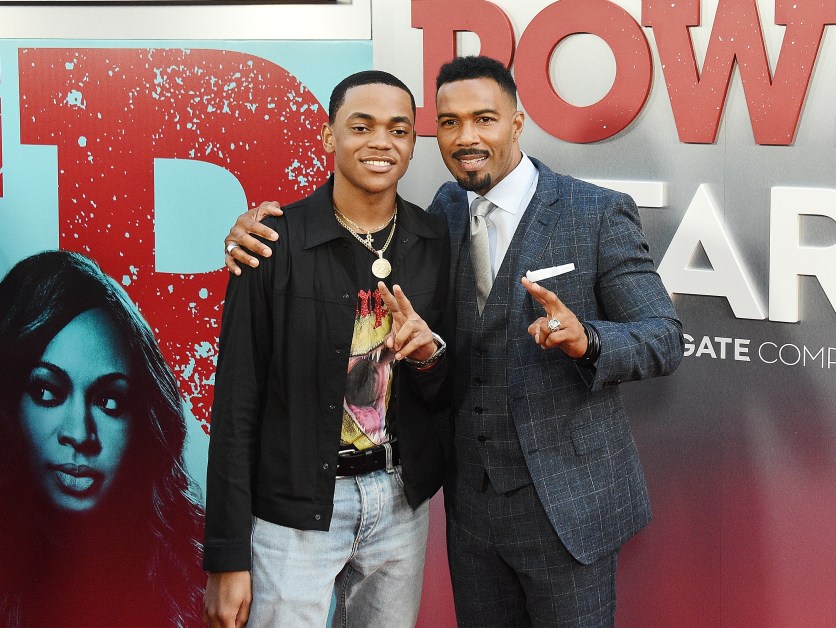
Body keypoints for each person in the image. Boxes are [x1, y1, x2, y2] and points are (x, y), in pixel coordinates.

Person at [223, 56, 683, 627]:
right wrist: (249, 232)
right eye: (448, 122)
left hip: (569, 508)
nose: (466, 137)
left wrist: (587, 339)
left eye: (484, 119)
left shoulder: (595, 212)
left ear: (517, 123)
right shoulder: (441, 213)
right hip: (471, 517)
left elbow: (663, 337)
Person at [203, 70, 451, 628]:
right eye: (361, 126)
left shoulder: (434, 241)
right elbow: (236, 403)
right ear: (328, 135)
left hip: (399, 503)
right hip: (294, 506)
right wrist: (226, 555)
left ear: (413, 143)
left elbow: (444, 389)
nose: (381, 142)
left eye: (398, 129)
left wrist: (427, 357)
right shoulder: (271, 241)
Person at [0, 249, 205, 627]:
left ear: (144, 419)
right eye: (47, 392)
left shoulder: (194, 577)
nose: (80, 434)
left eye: (110, 401)